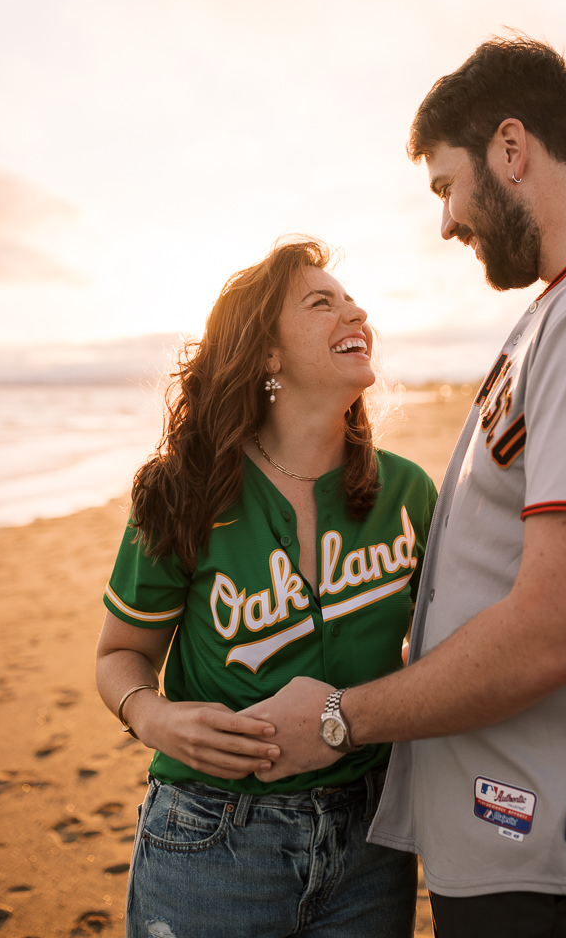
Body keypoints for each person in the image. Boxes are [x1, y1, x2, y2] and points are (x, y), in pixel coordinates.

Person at [246, 37, 566, 937]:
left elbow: (559, 632)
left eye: (447, 186)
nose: (446, 222)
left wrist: (338, 718)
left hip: (550, 847)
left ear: (511, 151)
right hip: (521, 827)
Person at [95, 237, 437, 938]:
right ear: (267, 356)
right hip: (212, 837)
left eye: (353, 301)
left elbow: (449, 654)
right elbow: (118, 656)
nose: (356, 312)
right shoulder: (183, 492)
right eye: (323, 303)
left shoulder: (407, 492)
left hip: (372, 837)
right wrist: (154, 717)